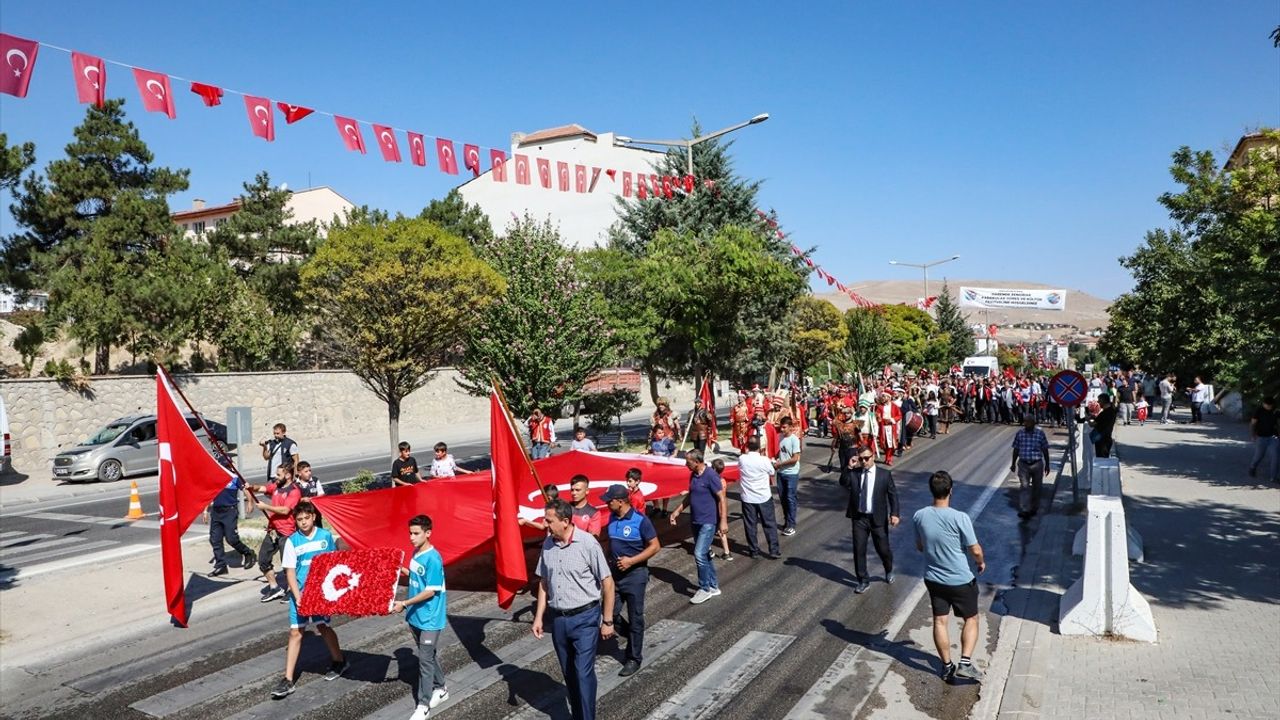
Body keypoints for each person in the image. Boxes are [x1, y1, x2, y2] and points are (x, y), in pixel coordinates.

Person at [532, 499, 616, 720]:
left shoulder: (588, 543)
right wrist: (539, 617)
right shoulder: (548, 545)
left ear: (565, 521)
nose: (545, 524)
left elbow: (607, 582)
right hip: (558, 620)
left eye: (549, 521)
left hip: (585, 618)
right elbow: (543, 583)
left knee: (582, 672)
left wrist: (607, 621)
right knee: (569, 674)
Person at [271, 501, 348, 698]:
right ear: (295, 521)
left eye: (306, 518)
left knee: (323, 627)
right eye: (299, 520)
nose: (303, 523)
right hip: (301, 595)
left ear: (313, 517)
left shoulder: (325, 536)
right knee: (296, 633)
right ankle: (288, 679)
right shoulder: (292, 541)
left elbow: (333, 564)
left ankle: (339, 661)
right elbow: (289, 573)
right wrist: (298, 598)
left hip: (321, 594)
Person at [914, 471, 985, 682]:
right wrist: (980, 562)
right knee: (971, 619)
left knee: (939, 621)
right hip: (961, 579)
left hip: (933, 579)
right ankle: (965, 663)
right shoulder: (960, 518)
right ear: (951, 491)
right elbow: (975, 549)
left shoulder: (919, 516)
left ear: (931, 491)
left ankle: (946, 666)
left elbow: (920, 546)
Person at [393, 514, 449, 720]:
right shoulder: (416, 552)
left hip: (430, 618)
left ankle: (423, 705)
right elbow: (418, 575)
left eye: (416, 534)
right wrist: (403, 570)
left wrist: (404, 603)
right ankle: (442, 688)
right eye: (410, 533)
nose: (411, 537)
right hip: (415, 616)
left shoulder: (434, 558)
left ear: (428, 533)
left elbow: (430, 591)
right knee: (428, 655)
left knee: (424, 660)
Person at [601, 484, 660, 678]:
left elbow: (655, 546)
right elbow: (611, 543)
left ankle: (634, 657)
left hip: (635, 576)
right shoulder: (611, 517)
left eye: (609, 501)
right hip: (615, 576)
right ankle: (632, 635)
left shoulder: (640, 521)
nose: (607, 504)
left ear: (620, 501)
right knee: (610, 613)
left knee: (636, 618)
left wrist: (631, 561)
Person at [669, 449, 728, 603]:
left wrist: (723, 521)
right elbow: (691, 496)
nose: (685, 464)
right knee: (705, 555)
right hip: (696, 521)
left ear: (697, 462)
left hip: (708, 522)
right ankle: (713, 586)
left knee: (699, 554)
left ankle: (704, 588)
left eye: (688, 462)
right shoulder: (693, 475)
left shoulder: (711, 476)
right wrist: (677, 511)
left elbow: (721, 498)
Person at [845, 445, 899, 593]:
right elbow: (843, 482)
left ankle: (888, 569)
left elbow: (893, 495)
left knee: (883, 549)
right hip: (859, 518)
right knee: (859, 549)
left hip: (878, 519)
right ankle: (863, 580)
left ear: (873, 456)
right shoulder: (855, 473)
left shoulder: (884, 475)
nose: (864, 461)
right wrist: (849, 468)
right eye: (861, 459)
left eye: (866, 458)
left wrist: (894, 513)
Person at [246, 464, 303, 602]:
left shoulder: (294, 491)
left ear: (288, 475)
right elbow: (262, 488)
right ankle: (274, 588)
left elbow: (285, 510)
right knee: (263, 560)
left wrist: (266, 506)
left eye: (279, 474)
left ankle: (291, 590)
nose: (275, 477)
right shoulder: (276, 486)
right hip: (273, 531)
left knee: (288, 564)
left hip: (287, 533)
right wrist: (251, 487)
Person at [203, 460, 255, 577]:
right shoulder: (215, 478)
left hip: (229, 511)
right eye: (223, 466)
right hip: (216, 512)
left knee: (231, 538)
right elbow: (209, 494)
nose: (225, 468)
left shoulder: (235, 477)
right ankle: (221, 565)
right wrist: (205, 510)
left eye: (227, 466)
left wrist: (250, 502)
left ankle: (248, 553)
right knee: (215, 539)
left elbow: (246, 489)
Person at [735, 437, 781, 559]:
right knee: (769, 524)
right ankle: (774, 550)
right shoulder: (764, 460)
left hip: (748, 498)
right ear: (760, 447)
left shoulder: (742, 459)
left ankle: (753, 550)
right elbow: (772, 472)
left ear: (747, 446)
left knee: (750, 525)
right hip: (763, 497)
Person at [1010, 416, 1051, 518]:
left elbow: (1045, 449)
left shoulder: (1040, 434)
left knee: (1037, 487)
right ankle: (1025, 509)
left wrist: (1047, 464)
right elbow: (1016, 449)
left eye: (1028, 422)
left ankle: (1034, 508)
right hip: (1023, 464)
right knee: (1024, 486)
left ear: (1033, 423)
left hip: (1037, 464)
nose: (1026, 424)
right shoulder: (1020, 433)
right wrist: (1013, 463)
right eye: (1025, 422)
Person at [775, 417, 802, 536]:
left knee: (790, 498)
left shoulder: (794, 440)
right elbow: (779, 453)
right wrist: (776, 460)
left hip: (791, 473)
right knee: (783, 498)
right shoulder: (780, 437)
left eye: (784, 427)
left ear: (790, 427)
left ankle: (791, 524)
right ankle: (787, 520)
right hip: (781, 473)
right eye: (781, 427)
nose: (782, 429)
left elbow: (795, 458)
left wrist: (780, 463)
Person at [708, 459, 734, 561]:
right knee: (721, 531)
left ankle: (708, 549)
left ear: (713, 468)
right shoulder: (723, 481)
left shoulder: (714, 481)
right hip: (722, 508)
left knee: (709, 529)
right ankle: (727, 552)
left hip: (714, 508)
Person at [1248, 397, 1279, 483]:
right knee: (1259, 456)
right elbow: (1252, 424)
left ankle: (1273, 477)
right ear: (1263, 404)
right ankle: (1253, 467)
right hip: (1261, 437)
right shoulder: (1259, 411)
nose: (1269, 407)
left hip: (1273, 437)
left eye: (1270, 406)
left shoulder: (1275, 411)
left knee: (1276, 456)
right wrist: (1252, 435)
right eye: (1267, 405)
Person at [1090, 394, 1119, 458]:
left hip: (1102, 441)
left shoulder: (1104, 413)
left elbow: (1093, 424)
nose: (1098, 402)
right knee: (1104, 459)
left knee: (1101, 460)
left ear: (1103, 401)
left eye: (1099, 400)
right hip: (1107, 439)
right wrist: (1094, 417)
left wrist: (1087, 419)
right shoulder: (1112, 410)